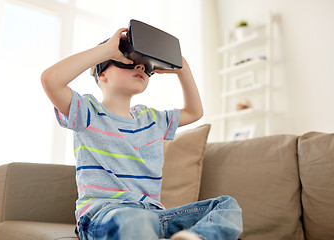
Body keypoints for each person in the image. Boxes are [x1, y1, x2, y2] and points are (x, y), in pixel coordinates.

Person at [41, 28, 243, 240]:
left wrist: (182, 68)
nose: (139, 66)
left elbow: (194, 112)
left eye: (146, 67)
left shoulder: (152, 119)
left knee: (225, 206)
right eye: (127, 61)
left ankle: (196, 237)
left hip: (155, 216)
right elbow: (51, 80)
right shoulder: (87, 112)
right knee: (133, 220)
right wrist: (105, 51)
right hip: (105, 214)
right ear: (101, 74)